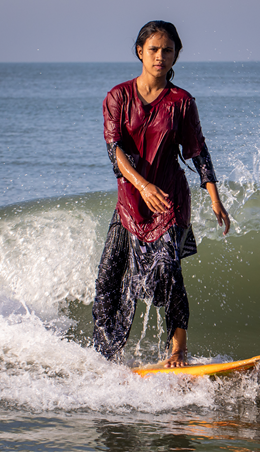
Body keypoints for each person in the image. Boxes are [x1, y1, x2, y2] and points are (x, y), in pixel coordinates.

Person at [92, 20, 230, 368]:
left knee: (169, 273)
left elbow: (198, 151)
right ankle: (107, 358)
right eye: (153, 49)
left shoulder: (181, 102)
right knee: (108, 280)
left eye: (167, 50)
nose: (160, 56)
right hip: (131, 204)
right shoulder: (118, 98)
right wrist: (142, 185)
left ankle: (178, 352)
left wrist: (215, 199)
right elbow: (115, 151)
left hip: (170, 202)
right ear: (140, 52)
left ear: (175, 55)